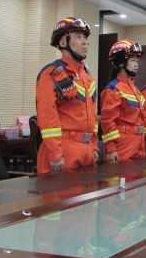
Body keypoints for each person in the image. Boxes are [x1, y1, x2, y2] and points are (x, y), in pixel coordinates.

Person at [36, 17, 99, 175]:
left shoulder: (88, 76)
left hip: (87, 151)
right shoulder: (52, 73)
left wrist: (93, 146)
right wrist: (55, 154)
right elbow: (47, 116)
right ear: (63, 42)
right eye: (78, 37)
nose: (85, 42)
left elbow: (93, 116)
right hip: (63, 151)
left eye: (85, 38)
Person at [100, 39, 146, 162]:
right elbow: (108, 122)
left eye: (137, 61)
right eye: (132, 60)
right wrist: (111, 149)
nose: (136, 65)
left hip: (139, 144)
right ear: (121, 62)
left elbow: (144, 116)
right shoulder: (113, 89)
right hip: (122, 146)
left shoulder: (135, 89)